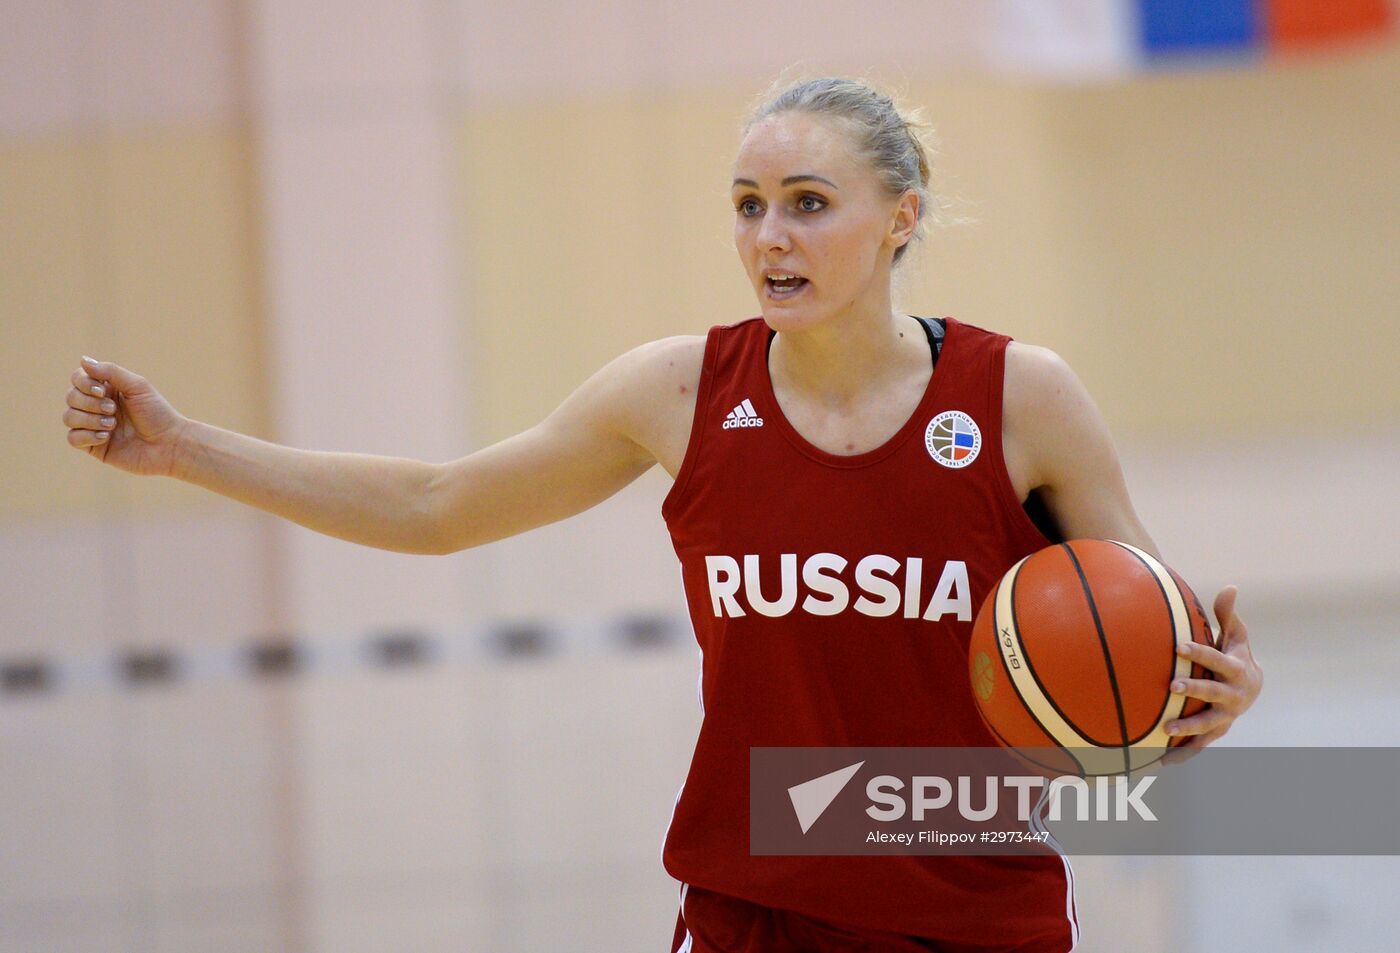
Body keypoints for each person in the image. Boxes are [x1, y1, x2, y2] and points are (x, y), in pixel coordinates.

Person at [64, 77, 1261, 952]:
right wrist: (183, 448)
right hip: (756, 910)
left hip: (977, 911)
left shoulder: (1020, 397)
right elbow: (436, 505)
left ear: (900, 214)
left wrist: (1206, 698)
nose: (768, 237)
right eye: (747, 205)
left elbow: (1145, 661)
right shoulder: (679, 391)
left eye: (805, 201)